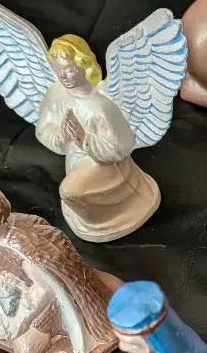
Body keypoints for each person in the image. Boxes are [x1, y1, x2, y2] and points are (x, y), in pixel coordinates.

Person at [0, 182, 118, 353]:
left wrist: (19, 322)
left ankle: (45, 333)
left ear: (0, 217)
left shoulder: (25, 244)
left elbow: (44, 291)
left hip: (40, 304)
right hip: (2, 288)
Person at [35, 36, 159, 242]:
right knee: (73, 192)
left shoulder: (101, 105)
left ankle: (105, 221)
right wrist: (61, 135)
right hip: (75, 160)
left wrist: (84, 140)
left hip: (104, 164)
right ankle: (95, 221)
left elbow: (121, 147)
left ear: (83, 65)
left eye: (69, 69)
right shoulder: (56, 93)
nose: (62, 75)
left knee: (69, 192)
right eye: (58, 69)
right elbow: (43, 129)